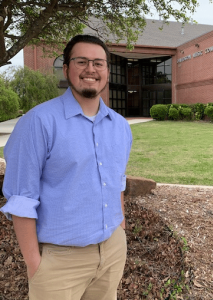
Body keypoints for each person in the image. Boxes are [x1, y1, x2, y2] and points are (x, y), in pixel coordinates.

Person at [0, 34, 132, 300]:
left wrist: (121, 230)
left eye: (98, 63)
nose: (91, 69)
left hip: (112, 252)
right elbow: (21, 199)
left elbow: (117, 181)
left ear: (107, 70)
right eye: (81, 61)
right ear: (67, 68)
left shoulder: (120, 126)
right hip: (59, 263)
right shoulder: (38, 122)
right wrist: (35, 264)